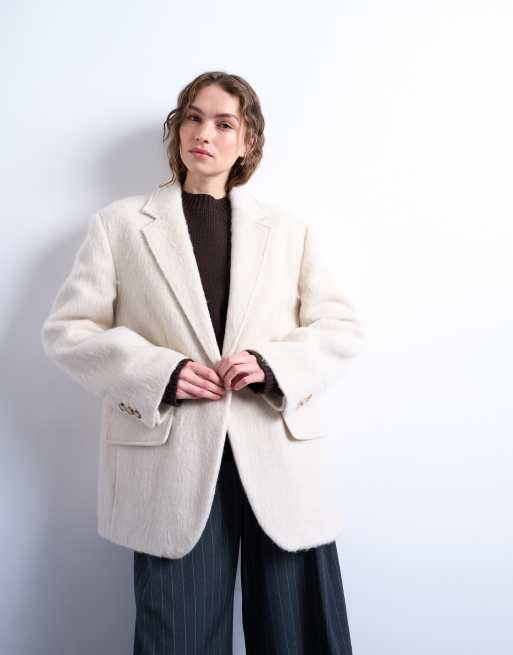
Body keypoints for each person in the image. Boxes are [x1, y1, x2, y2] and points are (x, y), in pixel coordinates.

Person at [41, 70, 365, 654]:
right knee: (178, 635)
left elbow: (339, 327)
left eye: (223, 124)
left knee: (299, 635)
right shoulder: (120, 226)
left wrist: (272, 366)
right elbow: (69, 330)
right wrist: (159, 374)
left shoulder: (289, 231)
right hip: (174, 458)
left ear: (248, 141)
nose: (204, 134)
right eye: (193, 118)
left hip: (277, 453)